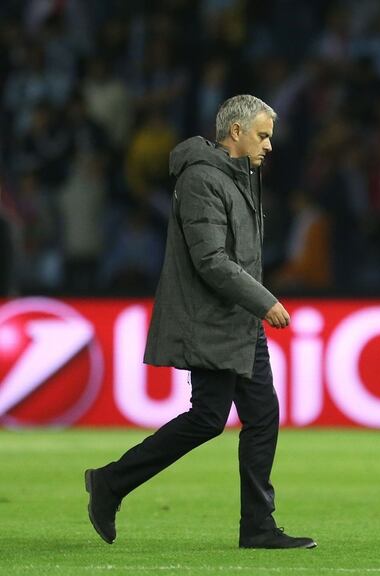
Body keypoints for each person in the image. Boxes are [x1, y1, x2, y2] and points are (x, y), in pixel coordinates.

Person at [84, 95, 316, 549]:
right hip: (212, 320)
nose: (269, 145)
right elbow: (210, 260)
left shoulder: (240, 176)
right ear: (235, 132)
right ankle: (110, 482)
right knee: (208, 418)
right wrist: (264, 301)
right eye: (262, 135)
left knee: (262, 416)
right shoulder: (201, 180)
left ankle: (258, 527)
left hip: (237, 320)